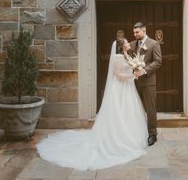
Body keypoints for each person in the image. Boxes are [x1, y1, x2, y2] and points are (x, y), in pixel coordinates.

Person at [36, 38, 148, 171]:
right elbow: (117, 75)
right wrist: (132, 76)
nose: (129, 43)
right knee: (118, 113)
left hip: (127, 88)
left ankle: (131, 137)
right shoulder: (118, 57)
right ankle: (118, 140)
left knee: (128, 113)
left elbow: (128, 69)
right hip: (119, 88)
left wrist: (135, 69)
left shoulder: (127, 55)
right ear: (121, 46)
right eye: (126, 42)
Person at [130, 22, 162, 146]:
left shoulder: (154, 44)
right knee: (135, 108)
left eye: (137, 32)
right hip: (134, 82)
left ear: (144, 30)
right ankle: (137, 132)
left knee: (150, 109)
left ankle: (152, 134)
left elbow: (158, 61)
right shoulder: (132, 44)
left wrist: (144, 70)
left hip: (148, 82)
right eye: (134, 32)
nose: (135, 34)